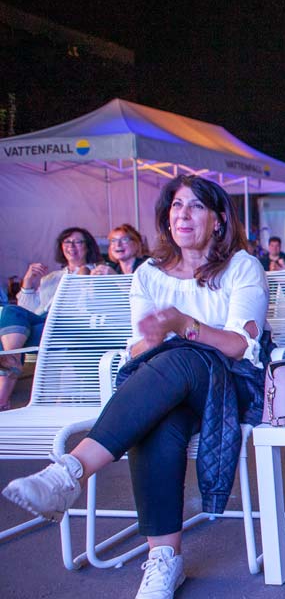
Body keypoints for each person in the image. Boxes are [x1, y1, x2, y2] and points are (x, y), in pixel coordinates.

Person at [3, 175, 268, 598]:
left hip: (229, 386)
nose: (183, 214)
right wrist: (159, 335)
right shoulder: (148, 274)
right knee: (159, 418)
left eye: (196, 206)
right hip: (168, 385)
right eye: (177, 205)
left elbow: (240, 346)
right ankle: (164, 559)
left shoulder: (241, 266)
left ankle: (71, 471)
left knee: (185, 352)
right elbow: (139, 347)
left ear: (218, 220)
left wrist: (186, 327)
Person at [0, 227, 102, 410]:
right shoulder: (50, 278)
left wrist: (86, 276)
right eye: (67, 242)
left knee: (6, 338)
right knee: (11, 313)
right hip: (43, 325)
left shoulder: (99, 272)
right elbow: (27, 312)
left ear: (88, 247)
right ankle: (11, 362)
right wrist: (28, 283)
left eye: (78, 241)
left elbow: (96, 307)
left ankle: (3, 392)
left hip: (70, 327)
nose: (72, 246)